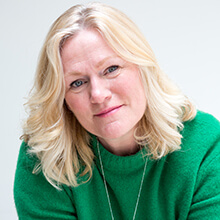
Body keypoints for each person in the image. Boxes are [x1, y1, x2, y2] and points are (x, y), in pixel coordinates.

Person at [14, 2, 220, 220]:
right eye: (77, 83)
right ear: (61, 99)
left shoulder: (204, 145)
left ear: (142, 67)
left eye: (111, 69)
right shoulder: (46, 157)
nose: (98, 94)